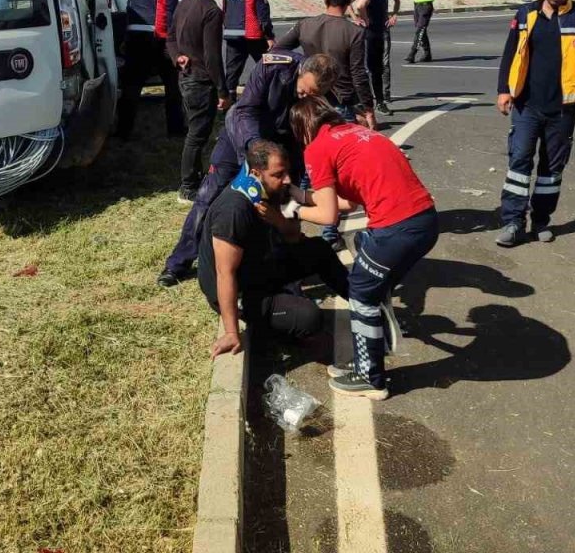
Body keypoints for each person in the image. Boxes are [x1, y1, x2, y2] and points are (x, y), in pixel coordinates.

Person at [289, 97, 441, 400]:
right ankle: (374, 322)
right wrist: (301, 195)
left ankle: (370, 377)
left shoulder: (317, 148)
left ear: (303, 128)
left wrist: (289, 207)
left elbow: (328, 215)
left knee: (360, 292)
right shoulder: (361, 133)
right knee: (363, 251)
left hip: (396, 228)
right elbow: (349, 202)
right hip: (425, 220)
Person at [159, 52, 338, 286]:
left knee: (283, 206)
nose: (307, 96)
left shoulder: (324, 92)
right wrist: (253, 148)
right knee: (208, 197)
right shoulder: (274, 67)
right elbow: (246, 110)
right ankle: (178, 263)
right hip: (242, 138)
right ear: (303, 70)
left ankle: (282, 268)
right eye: (306, 90)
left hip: (284, 149)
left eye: (316, 94)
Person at [202, 140, 350, 357]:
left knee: (320, 249)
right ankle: (276, 335)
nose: (287, 180)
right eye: (279, 174)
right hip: (240, 291)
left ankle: (364, 302)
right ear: (256, 172)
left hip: (259, 269)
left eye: (287, 173)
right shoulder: (233, 210)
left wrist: (278, 221)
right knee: (309, 317)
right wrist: (231, 331)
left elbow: (293, 239)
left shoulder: (269, 190)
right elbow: (225, 274)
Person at [494, 0, 575, 248]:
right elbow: (510, 53)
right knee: (519, 163)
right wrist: (503, 91)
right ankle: (513, 222)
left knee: (551, 169)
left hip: (563, 108)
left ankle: (541, 220)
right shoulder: (526, 14)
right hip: (526, 104)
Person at [275, 0, 378, 246]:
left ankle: (297, 218)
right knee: (337, 171)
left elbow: (278, 48)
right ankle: (330, 230)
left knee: (311, 165)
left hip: (308, 105)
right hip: (338, 105)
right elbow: (358, 74)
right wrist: (368, 107)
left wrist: (302, 68)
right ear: (349, 2)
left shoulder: (306, 24)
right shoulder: (353, 32)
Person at [168, 0, 231, 202]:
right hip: (200, 81)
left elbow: (170, 37)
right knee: (197, 135)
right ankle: (188, 187)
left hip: (186, 76)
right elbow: (213, 57)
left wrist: (176, 57)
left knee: (196, 132)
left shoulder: (186, 1)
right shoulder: (212, 11)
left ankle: (194, 176)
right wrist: (223, 90)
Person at [116, 0, 184, 139]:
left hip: (134, 36)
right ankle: (176, 128)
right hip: (157, 37)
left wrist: (125, 37)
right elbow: (170, 11)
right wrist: (174, 42)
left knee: (132, 85)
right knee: (172, 83)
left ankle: (123, 130)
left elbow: (130, 6)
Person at [222, 0, 275, 93]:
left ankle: (228, 110)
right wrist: (269, 35)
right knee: (269, 68)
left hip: (232, 34)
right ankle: (269, 102)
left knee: (231, 76)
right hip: (252, 34)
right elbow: (262, 11)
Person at [351, 0, 394, 115]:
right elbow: (360, 5)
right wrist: (365, 19)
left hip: (377, 35)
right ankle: (373, 103)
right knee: (372, 70)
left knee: (376, 70)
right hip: (372, 36)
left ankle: (377, 101)